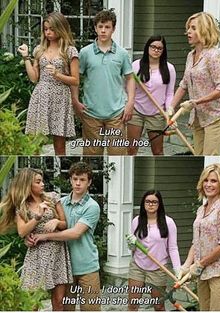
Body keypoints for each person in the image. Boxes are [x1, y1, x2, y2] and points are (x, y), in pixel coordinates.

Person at [0, 168, 72, 311]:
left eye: (42, 181)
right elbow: (22, 232)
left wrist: (57, 222)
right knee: (32, 303)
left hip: (57, 252)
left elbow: (65, 224)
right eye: (38, 182)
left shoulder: (52, 197)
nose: (43, 184)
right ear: (28, 185)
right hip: (36, 255)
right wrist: (37, 217)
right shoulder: (22, 206)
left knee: (59, 302)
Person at [33, 162, 101, 311]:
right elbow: (39, 222)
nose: (77, 183)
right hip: (64, 268)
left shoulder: (92, 206)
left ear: (89, 182)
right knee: (65, 308)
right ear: (70, 180)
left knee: (91, 309)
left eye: (82, 180)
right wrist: (30, 237)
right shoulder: (60, 203)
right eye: (75, 178)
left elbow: (75, 233)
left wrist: (45, 236)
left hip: (87, 268)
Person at [71, 9, 135, 155]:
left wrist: (130, 102)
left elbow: (130, 78)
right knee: (91, 155)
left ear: (113, 29)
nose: (103, 30)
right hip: (91, 113)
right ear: (95, 28)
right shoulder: (85, 53)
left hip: (116, 113)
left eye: (107, 27)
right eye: (100, 27)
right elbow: (76, 79)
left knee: (118, 153)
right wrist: (75, 100)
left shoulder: (122, 54)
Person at [168, 12, 220, 155]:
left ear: (204, 30)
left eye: (193, 28)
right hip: (199, 118)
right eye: (188, 28)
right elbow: (184, 84)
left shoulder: (214, 56)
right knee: (198, 155)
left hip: (216, 117)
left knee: (209, 156)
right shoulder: (191, 55)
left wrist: (196, 102)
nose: (188, 31)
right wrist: (171, 107)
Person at [17, 12, 79, 155]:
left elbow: (75, 80)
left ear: (61, 28)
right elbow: (34, 78)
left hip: (60, 97)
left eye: (52, 29)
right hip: (41, 95)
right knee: (34, 143)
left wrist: (58, 74)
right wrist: (26, 57)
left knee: (60, 146)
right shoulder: (40, 50)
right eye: (46, 29)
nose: (48, 32)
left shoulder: (70, 51)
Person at [177, 163, 220, 311]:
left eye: (213, 181)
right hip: (202, 274)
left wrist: (199, 264)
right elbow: (196, 241)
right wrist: (186, 265)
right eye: (206, 180)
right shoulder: (201, 209)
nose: (208, 185)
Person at [127, 190, 181, 311]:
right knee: (133, 304)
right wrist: (131, 245)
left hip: (158, 268)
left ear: (159, 204)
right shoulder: (136, 220)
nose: (151, 204)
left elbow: (172, 248)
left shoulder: (169, 222)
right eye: (148, 201)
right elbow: (133, 246)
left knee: (158, 306)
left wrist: (178, 269)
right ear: (143, 204)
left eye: (154, 202)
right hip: (138, 266)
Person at [127, 35, 176, 155]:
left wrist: (169, 112)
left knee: (158, 151)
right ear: (147, 48)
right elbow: (127, 87)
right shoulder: (136, 65)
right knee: (131, 149)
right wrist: (128, 103)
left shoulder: (169, 68)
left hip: (157, 112)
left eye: (159, 48)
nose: (156, 50)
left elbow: (169, 93)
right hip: (136, 110)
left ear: (163, 51)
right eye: (153, 47)